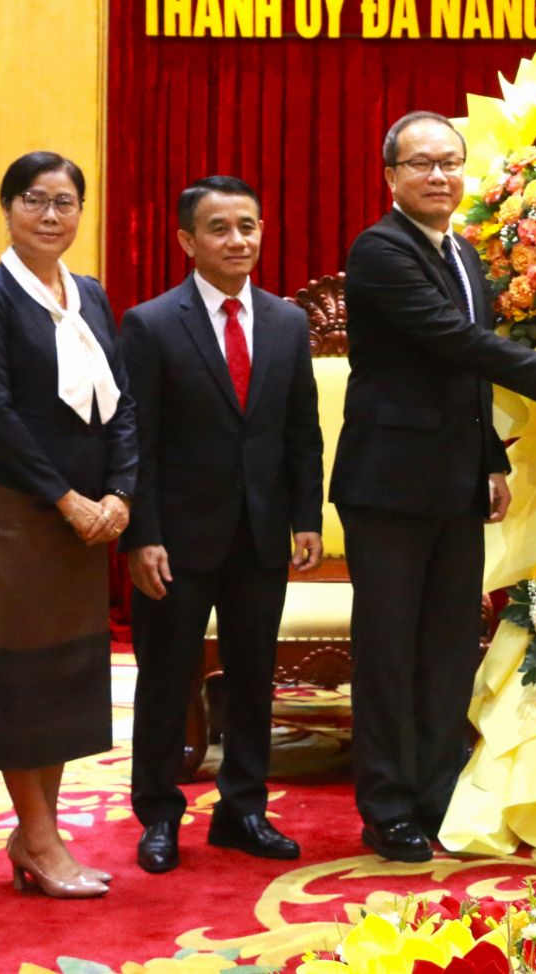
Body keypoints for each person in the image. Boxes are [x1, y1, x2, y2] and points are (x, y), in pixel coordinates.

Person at [331, 110, 536, 864]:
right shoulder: (380, 250)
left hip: (455, 481)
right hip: (388, 487)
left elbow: (464, 378)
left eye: (449, 162)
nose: (438, 176)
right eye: (420, 164)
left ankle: (436, 790)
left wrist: (491, 459)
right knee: (390, 651)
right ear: (390, 175)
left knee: (450, 646)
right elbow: (455, 341)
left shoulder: (461, 251)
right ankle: (387, 806)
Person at [120, 176, 323, 875]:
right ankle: (158, 812)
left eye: (249, 226)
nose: (238, 240)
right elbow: (134, 440)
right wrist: (141, 534)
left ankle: (243, 810)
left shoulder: (287, 322)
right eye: (219, 228)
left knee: (253, 679)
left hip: (261, 534)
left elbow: (302, 429)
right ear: (186, 240)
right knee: (167, 678)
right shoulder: (150, 323)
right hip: (175, 541)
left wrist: (305, 515)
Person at [0, 151, 135, 900]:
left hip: (87, 518)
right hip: (17, 512)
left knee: (65, 673)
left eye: (65, 202)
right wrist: (65, 498)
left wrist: (121, 493)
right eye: (35, 200)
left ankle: (37, 834)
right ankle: (41, 837)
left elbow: (122, 404)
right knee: (19, 676)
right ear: (7, 208)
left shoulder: (88, 294)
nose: (51, 215)